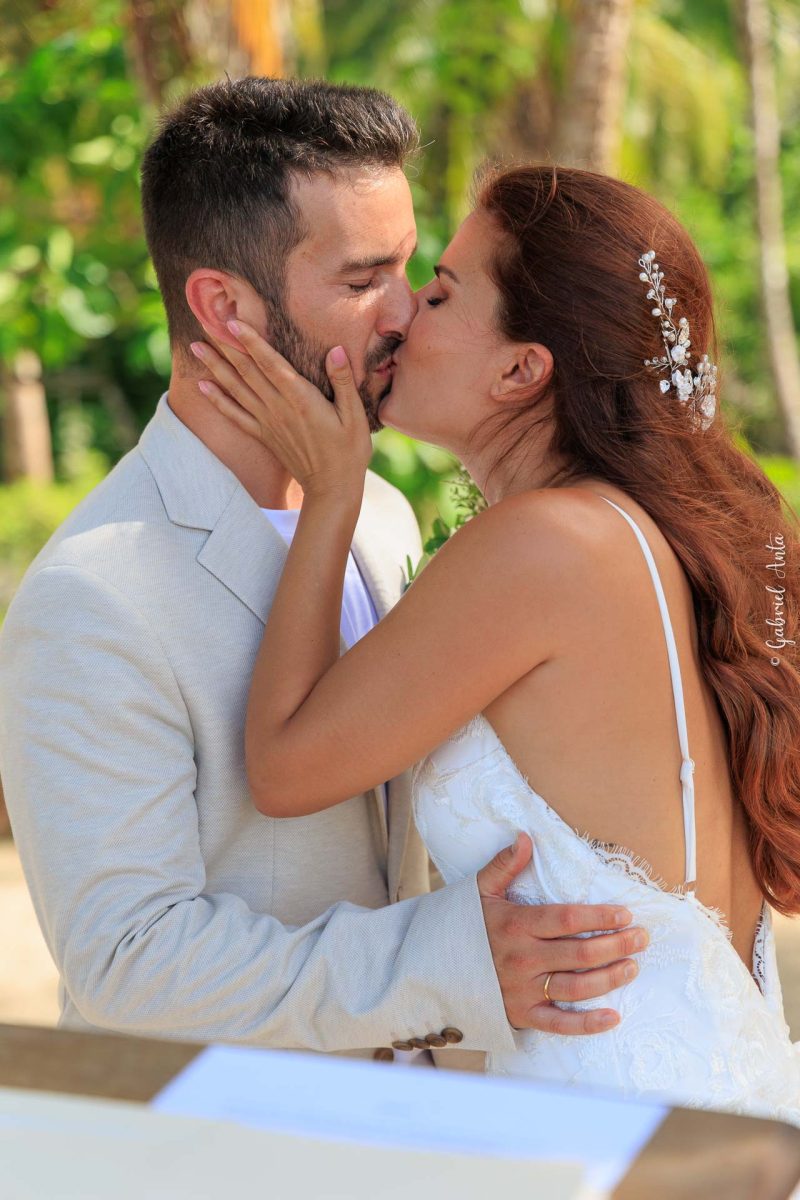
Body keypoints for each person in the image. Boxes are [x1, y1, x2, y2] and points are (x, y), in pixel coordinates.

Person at [0, 79, 644, 1064]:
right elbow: (125, 959)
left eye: (408, 266)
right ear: (224, 306)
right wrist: (446, 959)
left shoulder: (380, 516)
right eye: (360, 279)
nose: (406, 312)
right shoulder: (92, 597)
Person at [192, 161, 800, 1121]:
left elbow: (282, 767)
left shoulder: (542, 544)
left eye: (438, 292)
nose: (398, 318)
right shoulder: (634, 534)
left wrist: (331, 496)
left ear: (522, 370)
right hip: (699, 1099)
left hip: (608, 1133)